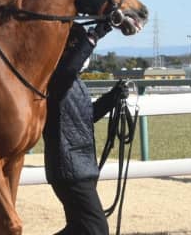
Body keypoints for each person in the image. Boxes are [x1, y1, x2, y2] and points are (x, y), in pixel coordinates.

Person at [43, 22, 129, 235]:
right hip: (69, 169)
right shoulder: (55, 79)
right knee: (97, 230)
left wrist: (113, 97)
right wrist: (92, 37)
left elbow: (88, 116)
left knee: (80, 229)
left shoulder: (74, 82)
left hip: (80, 167)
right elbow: (69, 69)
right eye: (79, 46)